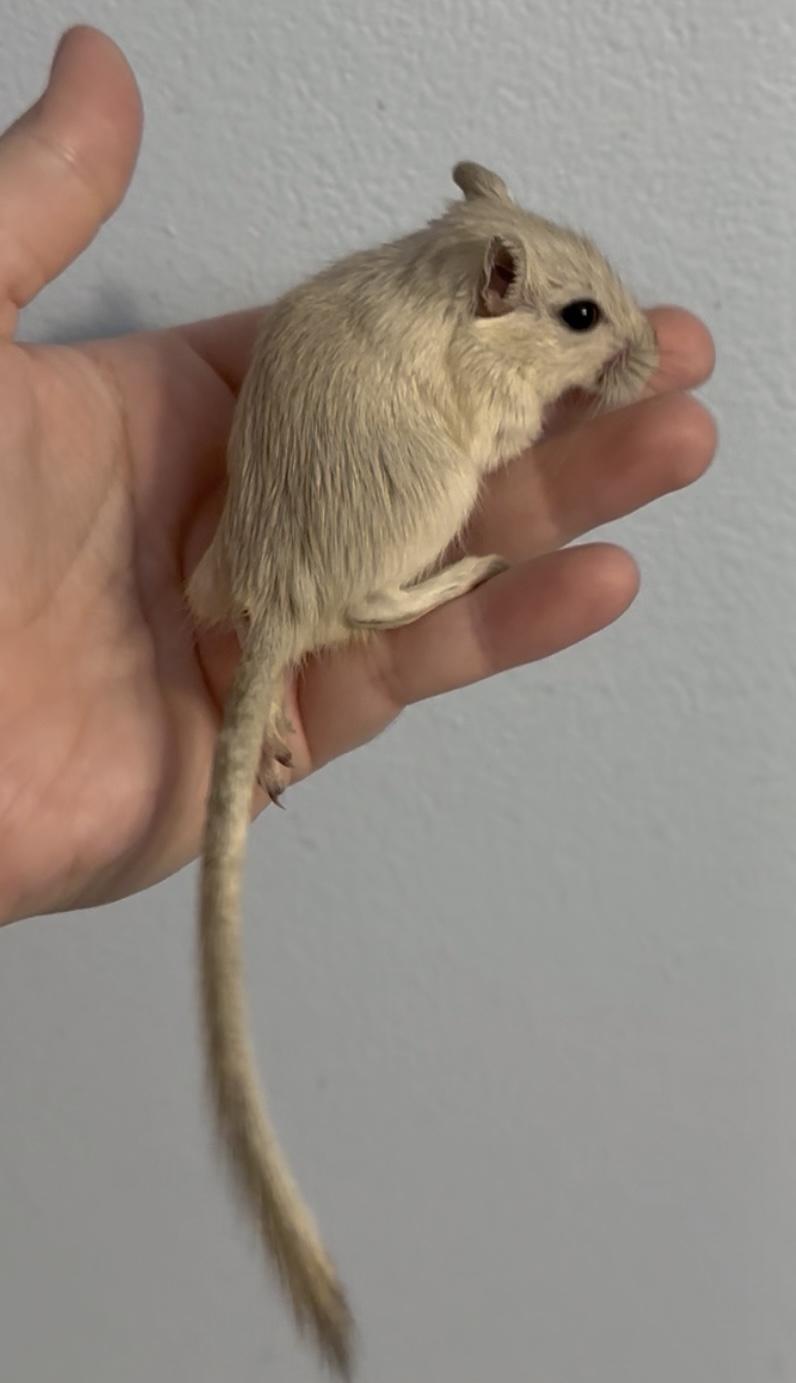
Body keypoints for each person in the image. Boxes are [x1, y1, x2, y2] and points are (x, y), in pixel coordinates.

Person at [0, 26, 716, 926]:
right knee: (449, 481)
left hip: (248, 547)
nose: (620, 347)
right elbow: (485, 437)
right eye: (581, 321)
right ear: (496, 288)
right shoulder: (470, 343)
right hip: (346, 536)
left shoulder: (374, 295)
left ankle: (335, 605)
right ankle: (374, 601)